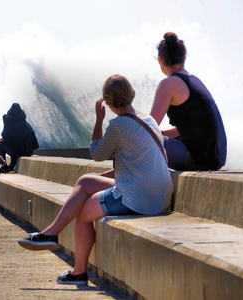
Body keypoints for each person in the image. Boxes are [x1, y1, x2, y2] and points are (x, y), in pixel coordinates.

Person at [18, 74, 173, 285]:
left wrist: (99, 121)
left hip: (139, 198)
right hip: (160, 196)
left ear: (107, 103)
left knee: (83, 213)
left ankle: (78, 271)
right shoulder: (149, 120)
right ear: (132, 95)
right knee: (86, 181)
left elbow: (97, 153)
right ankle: (51, 233)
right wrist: (100, 179)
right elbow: (142, 162)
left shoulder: (118, 125)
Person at [150, 32, 227, 171]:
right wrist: (161, 134)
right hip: (215, 159)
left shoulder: (168, 84)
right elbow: (188, 129)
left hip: (197, 158)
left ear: (161, 61)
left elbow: (147, 128)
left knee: (142, 140)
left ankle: (118, 183)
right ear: (184, 58)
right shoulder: (195, 81)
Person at [0, 103, 39, 172]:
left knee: (0, 144)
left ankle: (4, 166)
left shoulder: (8, 121)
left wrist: (3, 139)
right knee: (14, 146)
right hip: (28, 152)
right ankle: (12, 164)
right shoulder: (25, 123)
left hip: (17, 152)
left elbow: (4, 135)